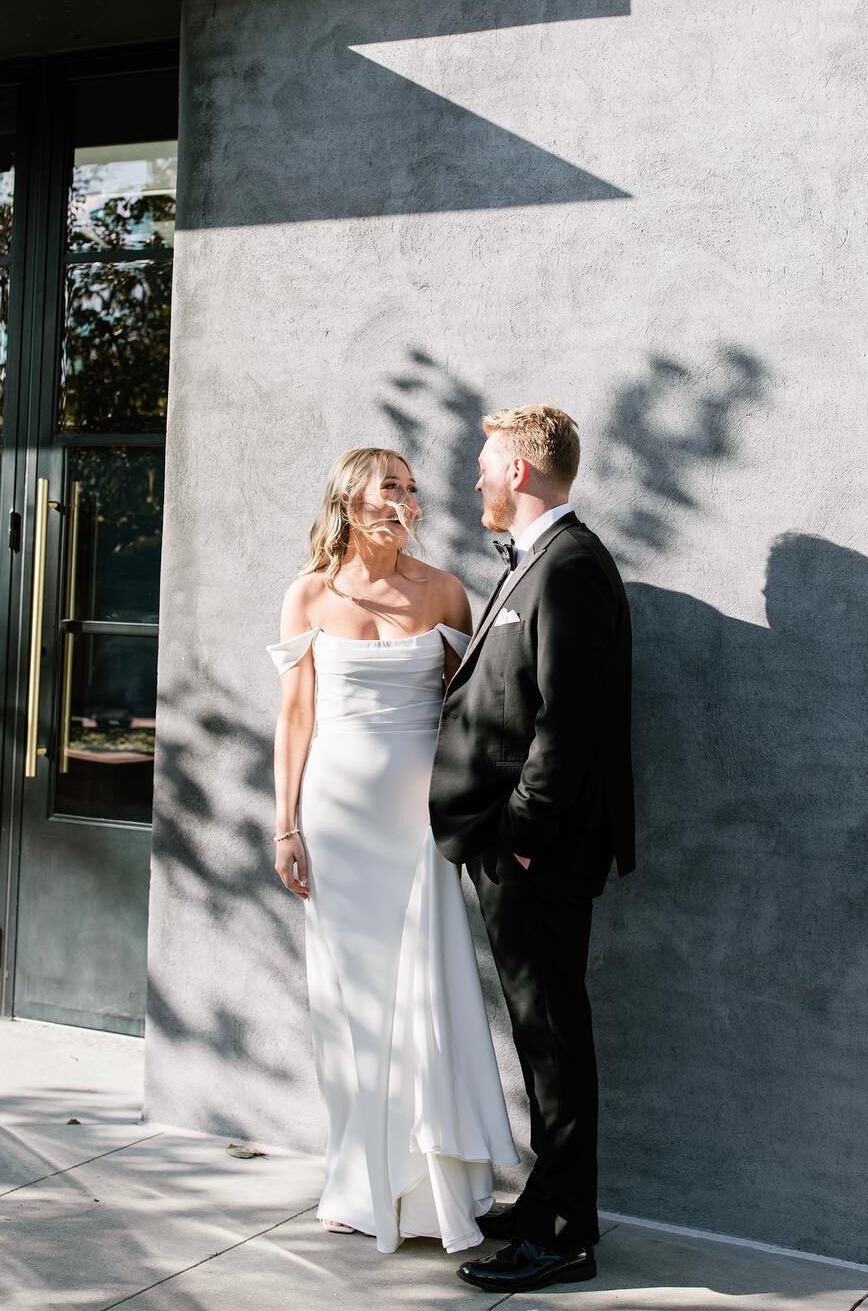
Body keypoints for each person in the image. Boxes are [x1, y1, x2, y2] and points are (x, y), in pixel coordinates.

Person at [268, 446, 519, 1254]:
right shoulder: (308, 594)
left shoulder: (443, 589)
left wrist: (485, 809)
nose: (406, 498)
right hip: (337, 821)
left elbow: (479, 709)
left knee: (427, 993)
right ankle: (358, 1182)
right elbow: (295, 718)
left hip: (420, 824)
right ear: (350, 499)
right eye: (391, 486)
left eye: (412, 488)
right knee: (350, 1005)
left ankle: (439, 1186)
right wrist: (285, 825)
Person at [430, 404, 635, 1295]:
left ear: (518, 471)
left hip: (538, 854)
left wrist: (518, 835)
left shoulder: (573, 567)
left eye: (483, 463)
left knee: (552, 1036)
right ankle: (550, 1200)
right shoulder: (536, 565)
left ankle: (563, 1234)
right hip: (517, 849)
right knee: (540, 1031)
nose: (474, 477)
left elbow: (571, 725)